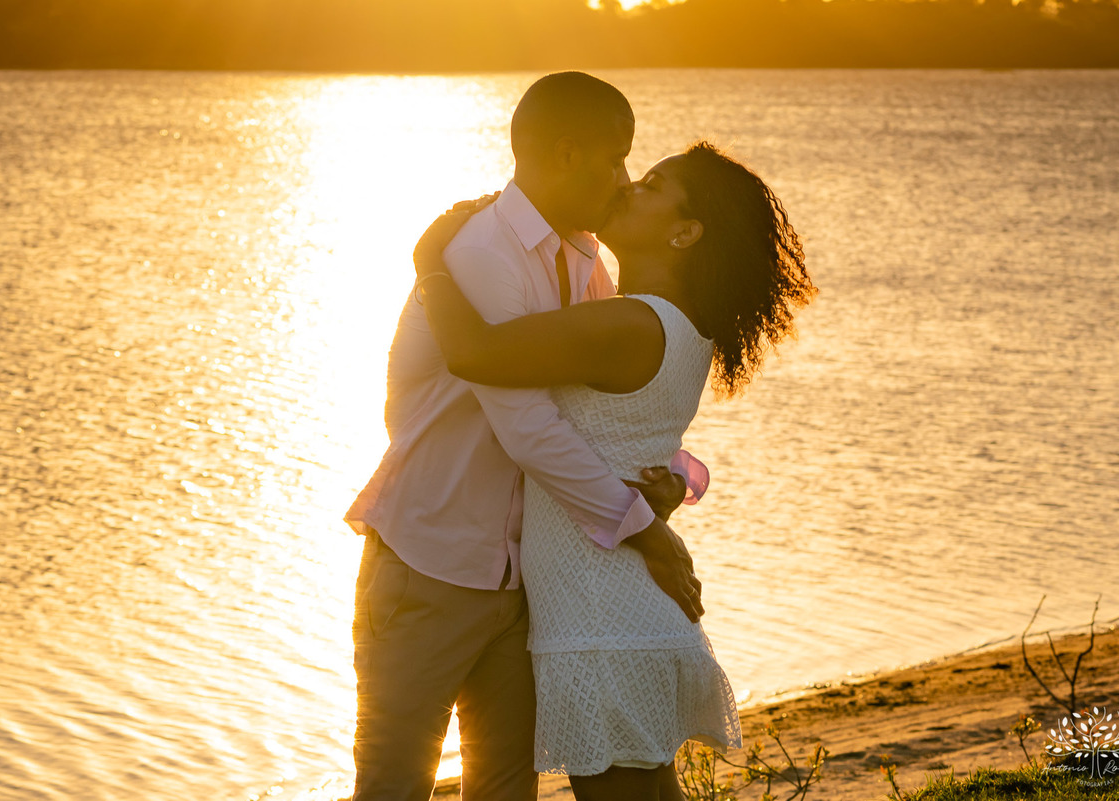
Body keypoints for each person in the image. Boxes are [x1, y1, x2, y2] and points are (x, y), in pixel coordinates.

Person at [343, 72, 709, 801]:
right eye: (616, 159)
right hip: (429, 565)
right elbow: (530, 427)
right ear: (568, 153)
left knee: (506, 789)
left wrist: (676, 470)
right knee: (392, 784)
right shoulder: (482, 253)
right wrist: (642, 530)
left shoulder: (588, 264)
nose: (624, 179)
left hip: (521, 584)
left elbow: (596, 410)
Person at [413, 140, 816, 801]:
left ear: (686, 232)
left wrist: (429, 265)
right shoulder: (684, 329)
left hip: (601, 618)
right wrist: (679, 478)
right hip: (623, 609)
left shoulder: (628, 324)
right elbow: (638, 436)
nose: (630, 185)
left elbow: (476, 351)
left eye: (654, 185)